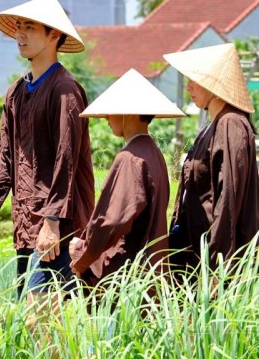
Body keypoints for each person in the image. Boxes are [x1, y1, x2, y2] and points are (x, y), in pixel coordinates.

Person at [0, 0, 94, 298]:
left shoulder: (65, 90)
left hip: (58, 227)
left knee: (42, 316)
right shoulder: (16, 91)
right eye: (18, 27)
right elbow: (4, 155)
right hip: (26, 224)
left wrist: (52, 222)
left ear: (54, 35)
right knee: (36, 323)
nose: (20, 34)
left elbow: (65, 160)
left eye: (30, 27)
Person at [163, 43, 259, 271]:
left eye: (195, 82)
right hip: (198, 250)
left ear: (213, 85)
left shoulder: (231, 124)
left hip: (219, 257)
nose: (189, 88)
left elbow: (229, 197)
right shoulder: (213, 125)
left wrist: (219, 261)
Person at [69, 69, 183, 285]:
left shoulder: (130, 158)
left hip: (127, 274)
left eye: (110, 112)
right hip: (150, 271)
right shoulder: (153, 151)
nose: (105, 118)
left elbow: (112, 221)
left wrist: (83, 254)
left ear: (128, 113)